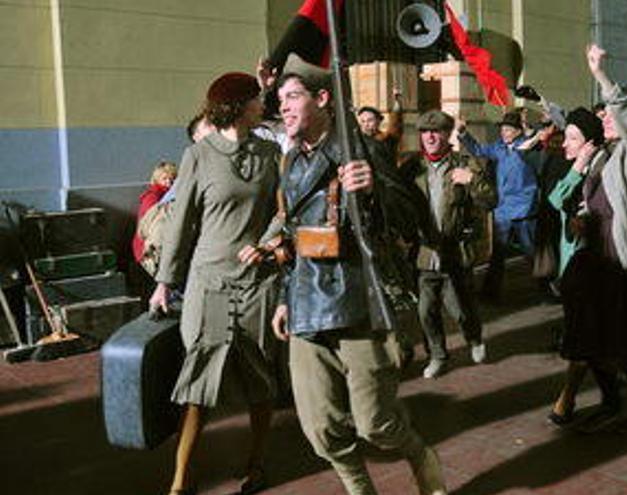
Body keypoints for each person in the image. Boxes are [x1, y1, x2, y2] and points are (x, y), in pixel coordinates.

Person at [269, 60, 447, 495]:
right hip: (308, 302)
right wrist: (284, 296)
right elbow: (293, 236)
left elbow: (413, 218)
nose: (284, 108)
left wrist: (374, 191)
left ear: (323, 99)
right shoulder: (291, 161)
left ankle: (421, 456)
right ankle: (358, 487)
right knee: (320, 429)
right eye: (280, 101)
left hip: (360, 302)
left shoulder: (362, 151)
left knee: (377, 424)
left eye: (292, 97)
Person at [149, 72, 280, 495]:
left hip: (258, 281)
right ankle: (180, 480)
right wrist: (164, 282)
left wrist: (265, 243)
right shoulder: (198, 155)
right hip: (210, 281)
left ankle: (257, 465)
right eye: (257, 98)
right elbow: (180, 224)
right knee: (200, 382)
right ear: (239, 105)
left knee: (260, 379)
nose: (264, 103)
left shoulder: (269, 152)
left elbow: (284, 210)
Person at [551, 45, 627, 433]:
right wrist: (583, 219)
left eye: (610, 114)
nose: (605, 117)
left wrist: (601, 75)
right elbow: (597, 200)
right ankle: (611, 401)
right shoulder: (603, 156)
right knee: (596, 333)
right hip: (603, 255)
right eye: (602, 114)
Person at [399, 110, 496, 379]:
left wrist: (472, 181)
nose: (430, 137)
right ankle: (438, 355)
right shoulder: (411, 167)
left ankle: (474, 337)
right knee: (426, 311)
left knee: (460, 309)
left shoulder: (465, 163)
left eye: (436, 131)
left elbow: (490, 200)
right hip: (425, 253)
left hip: (455, 251)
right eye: (425, 132)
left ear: (447, 134)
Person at [545, 107, 609, 425]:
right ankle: (610, 393)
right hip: (572, 267)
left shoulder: (602, 170)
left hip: (593, 267)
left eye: (573, 138)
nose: (565, 144)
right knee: (587, 337)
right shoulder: (574, 169)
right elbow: (555, 200)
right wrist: (577, 166)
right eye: (566, 137)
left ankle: (567, 400)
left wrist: (583, 165)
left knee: (582, 337)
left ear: (590, 143)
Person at [458, 111, 539, 299]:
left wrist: (529, 129)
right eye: (502, 129)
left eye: (508, 129)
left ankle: (548, 285)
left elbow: (534, 139)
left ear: (518, 131)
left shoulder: (527, 146)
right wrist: (463, 133)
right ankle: (490, 291)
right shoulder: (498, 148)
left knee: (530, 250)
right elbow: (477, 150)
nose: (504, 132)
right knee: (498, 254)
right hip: (503, 208)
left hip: (524, 207)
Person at [132, 160, 177, 280]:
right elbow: (151, 227)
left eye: (172, 179)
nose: (169, 182)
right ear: (157, 180)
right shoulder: (152, 197)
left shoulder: (162, 196)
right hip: (148, 251)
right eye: (165, 179)